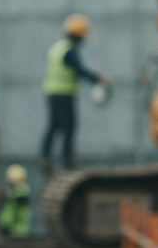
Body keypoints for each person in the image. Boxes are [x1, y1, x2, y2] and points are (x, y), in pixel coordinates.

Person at [40, 13, 109, 174]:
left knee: (54, 125)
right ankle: (68, 162)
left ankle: (45, 156)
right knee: (69, 127)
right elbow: (79, 70)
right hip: (64, 94)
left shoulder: (57, 48)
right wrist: (98, 79)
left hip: (52, 92)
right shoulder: (69, 51)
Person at [0, 164, 31, 237]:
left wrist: (7, 223)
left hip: (17, 229)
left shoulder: (21, 191)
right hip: (11, 227)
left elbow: (16, 211)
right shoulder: (15, 191)